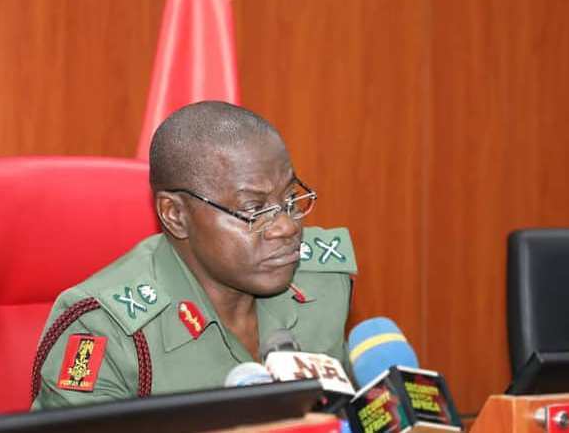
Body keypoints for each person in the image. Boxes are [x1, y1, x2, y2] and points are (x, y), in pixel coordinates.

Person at [30, 101, 358, 409]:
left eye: (289, 199)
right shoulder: (106, 329)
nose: (286, 227)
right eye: (253, 209)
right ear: (175, 215)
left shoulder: (321, 281)